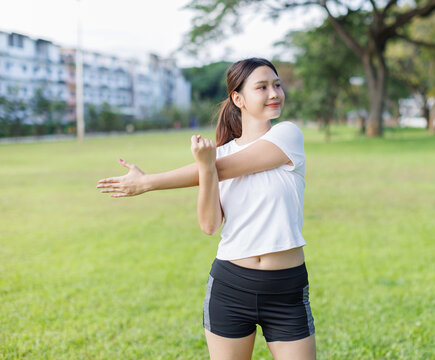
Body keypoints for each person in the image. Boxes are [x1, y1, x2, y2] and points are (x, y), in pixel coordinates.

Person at [96, 58, 316, 360]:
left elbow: (224, 168)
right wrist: (205, 168)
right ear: (238, 98)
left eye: (277, 85)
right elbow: (210, 225)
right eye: (262, 87)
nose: (274, 93)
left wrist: (149, 182)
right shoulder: (216, 157)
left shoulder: (287, 135)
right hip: (231, 287)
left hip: (285, 288)